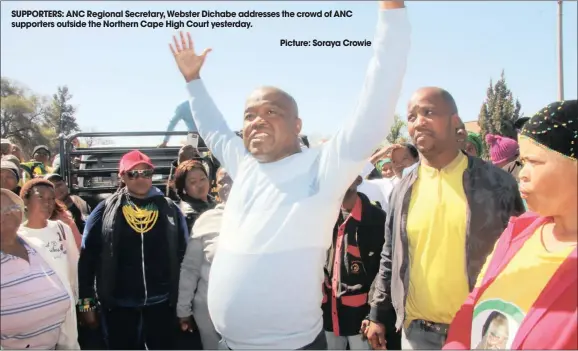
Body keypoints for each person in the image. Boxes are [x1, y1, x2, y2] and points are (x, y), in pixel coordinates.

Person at [168, 0, 411, 348]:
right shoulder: (245, 167)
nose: (257, 120)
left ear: (297, 125)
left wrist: (391, 13)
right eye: (249, 115)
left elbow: (378, 97)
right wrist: (193, 80)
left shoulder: (322, 167)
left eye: (271, 111)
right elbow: (215, 129)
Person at [365, 87, 525, 350]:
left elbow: (518, 253)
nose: (418, 122)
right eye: (412, 116)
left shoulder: (496, 184)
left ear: (454, 122)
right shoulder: (403, 189)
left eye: (429, 112)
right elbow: (390, 254)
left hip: (481, 331)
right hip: (417, 334)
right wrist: (377, 314)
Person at [444, 100, 578, 350]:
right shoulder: (519, 232)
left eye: (534, 162)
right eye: (522, 161)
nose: (522, 174)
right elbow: (473, 303)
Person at [77, 150, 189, 350]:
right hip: (119, 306)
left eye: (146, 173)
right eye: (133, 174)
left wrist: (185, 305)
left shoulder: (169, 209)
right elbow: (87, 261)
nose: (141, 179)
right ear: (122, 176)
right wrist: (86, 307)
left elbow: (184, 257)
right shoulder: (104, 210)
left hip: (162, 304)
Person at [322, 175, 398, 350]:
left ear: (358, 178)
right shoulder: (322, 216)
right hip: (327, 315)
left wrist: (375, 314)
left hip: (362, 320)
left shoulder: (377, 219)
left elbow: (385, 268)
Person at [0, 189, 79, 350]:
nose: (7, 213)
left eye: (12, 208)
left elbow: (72, 276)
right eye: (1, 210)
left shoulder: (35, 246)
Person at [177, 167, 233, 350]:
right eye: (222, 181)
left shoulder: (263, 217)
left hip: (251, 311)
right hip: (208, 310)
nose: (226, 186)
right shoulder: (206, 219)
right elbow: (190, 268)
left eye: (232, 179)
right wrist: (183, 309)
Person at [18, 179, 80, 297]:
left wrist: (79, 304)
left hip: (67, 309)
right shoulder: (18, 236)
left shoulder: (62, 229)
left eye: (52, 198)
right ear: (25, 201)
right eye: (40, 197)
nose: (48, 203)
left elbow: (75, 270)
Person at [174, 159, 216, 230]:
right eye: (193, 182)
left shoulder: (213, 201)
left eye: (202, 179)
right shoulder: (190, 215)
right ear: (183, 187)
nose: (200, 185)